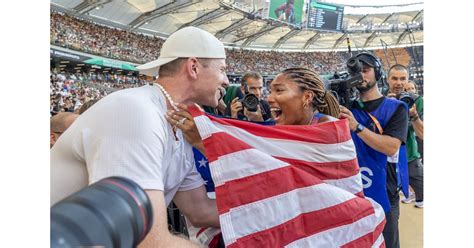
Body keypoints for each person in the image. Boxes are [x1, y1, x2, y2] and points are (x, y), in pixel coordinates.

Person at [50, 27, 229, 247]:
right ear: (193, 67)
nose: (227, 81)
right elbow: (147, 240)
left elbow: (200, 210)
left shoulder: (176, 125)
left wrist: (266, 210)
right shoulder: (134, 111)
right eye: (222, 70)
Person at [339, 53, 408, 248]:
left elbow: (390, 146)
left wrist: (356, 126)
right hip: (352, 189)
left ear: (377, 73)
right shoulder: (345, 108)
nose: (361, 75)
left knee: (388, 243)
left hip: (384, 189)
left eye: (366, 70)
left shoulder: (396, 108)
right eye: (356, 71)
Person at [387, 65, 424, 208]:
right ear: (387, 80)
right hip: (388, 160)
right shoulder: (381, 99)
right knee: (391, 203)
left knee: (423, 193)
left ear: (407, 80)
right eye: (394, 78)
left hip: (410, 157)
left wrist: (414, 116)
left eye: (403, 79)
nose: (399, 83)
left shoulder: (416, 101)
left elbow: (422, 134)